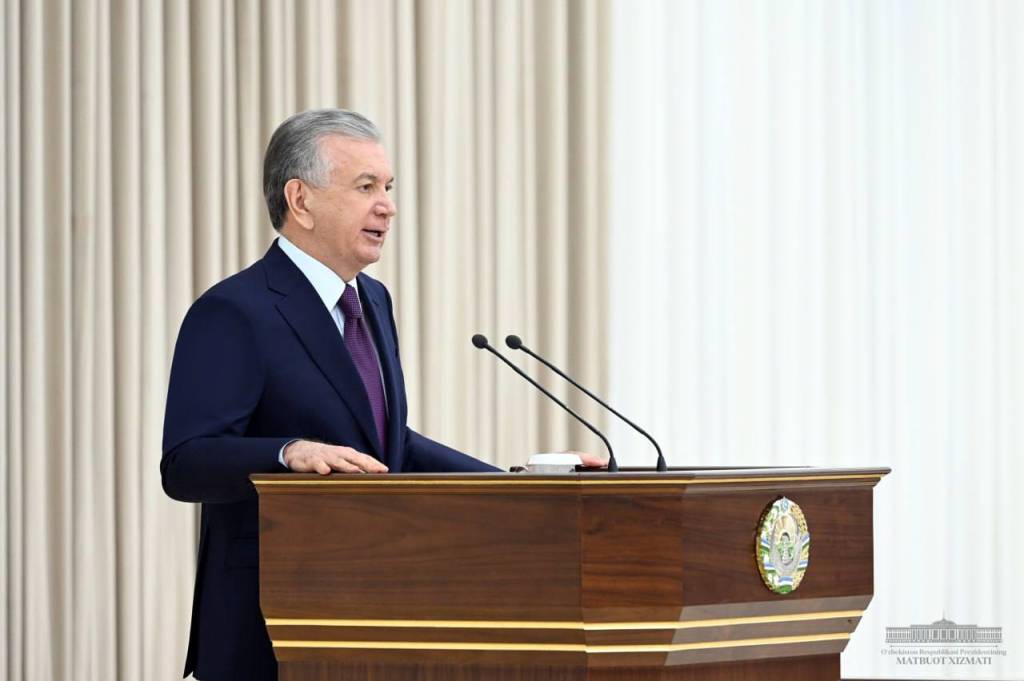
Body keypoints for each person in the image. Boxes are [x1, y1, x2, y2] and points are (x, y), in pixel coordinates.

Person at [160, 109, 502, 681]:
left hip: (375, 610)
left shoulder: (374, 300)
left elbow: (386, 447)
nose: (387, 206)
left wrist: (524, 487)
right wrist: (288, 452)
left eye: (388, 187)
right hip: (269, 624)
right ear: (301, 200)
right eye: (366, 187)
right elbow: (186, 463)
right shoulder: (235, 310)